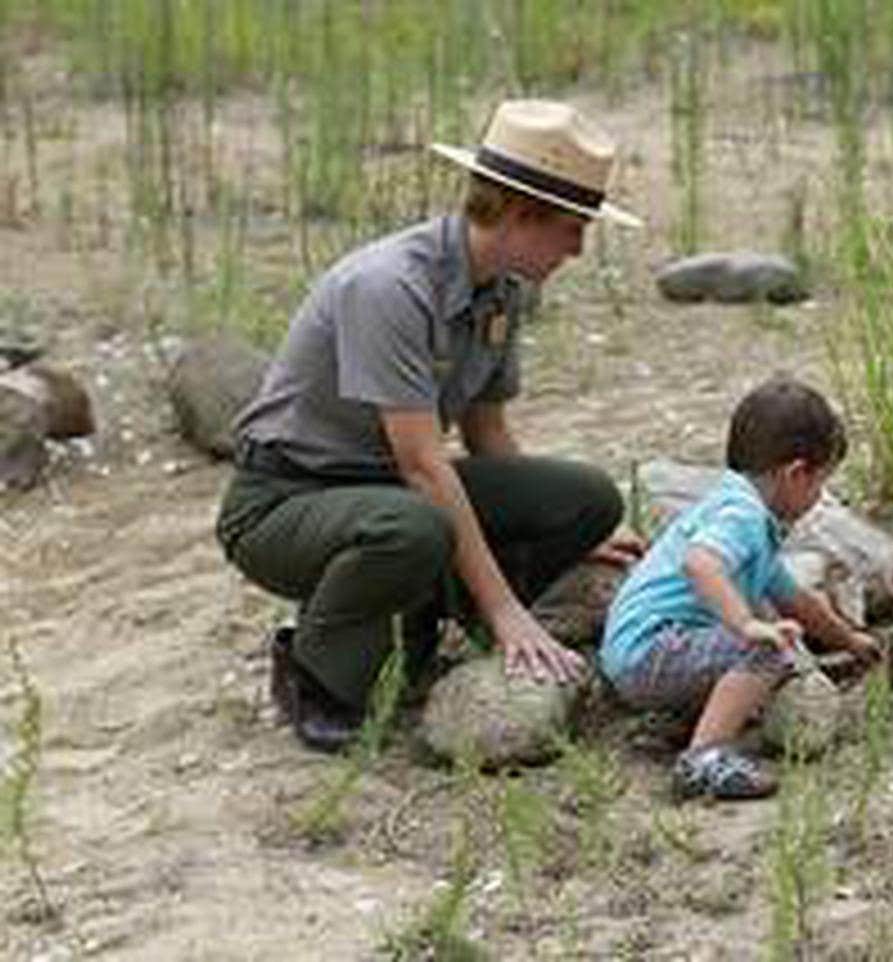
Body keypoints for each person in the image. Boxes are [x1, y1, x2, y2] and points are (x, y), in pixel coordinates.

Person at [215, 100, 645, 753]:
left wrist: (575, 529)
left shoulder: (498, 287)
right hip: (286, 502)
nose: (578, 250)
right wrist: (507, 610)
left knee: (585, 497)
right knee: (415, 526)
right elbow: (422, 464)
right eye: (572, 228)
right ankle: (316, 672)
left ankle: (434, 619)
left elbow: (486, 434)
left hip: (384, 488)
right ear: (521, 216)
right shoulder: (390, 287)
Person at [600, 376, 880, 800]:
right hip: (651, 651)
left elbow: (795, 599)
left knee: (771, 633)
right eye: (819, 486)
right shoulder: (743, 515)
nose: (818, 497)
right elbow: (700, 563)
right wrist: (747, 625)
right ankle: (702, 759)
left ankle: (683, 723)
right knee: (769, 648)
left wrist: (851, 640)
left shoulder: (737, 508)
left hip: (633, 653)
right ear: (796, 473)